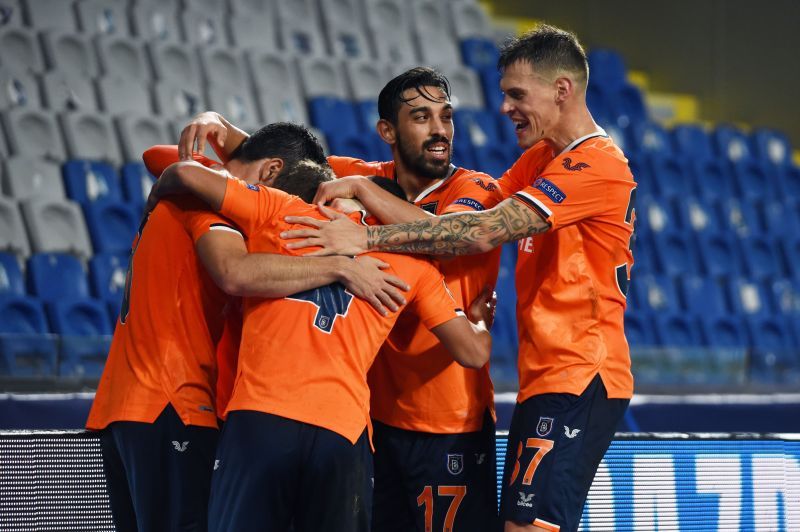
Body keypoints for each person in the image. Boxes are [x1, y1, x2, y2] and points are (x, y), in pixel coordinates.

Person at [281, 25, 637, 532]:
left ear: (561, 90)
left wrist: (366, 239)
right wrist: (358, 183)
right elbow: (445, 224)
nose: (505, 108)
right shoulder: (542, 159)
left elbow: (480, 232)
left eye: (517, 94)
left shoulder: (597, 165)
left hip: (583, 373)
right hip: (547, 374)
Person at [179, 66, 504, 531]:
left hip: (449, 418)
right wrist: (218, 124)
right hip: (372, 416)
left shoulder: (475, 187)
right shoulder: (359, 176)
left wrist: (362, 219)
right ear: (387, 131)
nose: (439, 130)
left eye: (446, 117)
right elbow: (280, 162)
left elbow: (450, 239)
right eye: (421, 117)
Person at [85, 123, 408, 532]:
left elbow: (161, 157)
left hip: (124, 404)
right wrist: (341, 265)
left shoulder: (196, 187)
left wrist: (217, 127)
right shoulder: (213, 204)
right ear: (272, 172)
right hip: (172, 400)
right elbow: (234, 272)